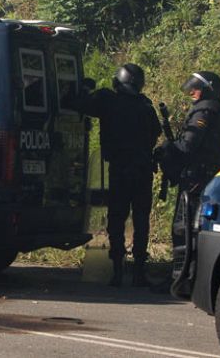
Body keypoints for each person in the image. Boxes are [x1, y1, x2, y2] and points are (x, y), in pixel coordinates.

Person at [72, 63, 161, 287]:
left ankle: (118, 270)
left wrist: (84, 89)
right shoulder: (146, 107)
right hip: (141, 170)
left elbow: (79, 105)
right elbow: (155, 133)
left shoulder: (107, 100)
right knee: (141, 221)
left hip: (120, 169)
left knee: (117, 219)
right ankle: (139, 271)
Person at [160, 71, 220, 295]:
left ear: (207, 89)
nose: (192, 92)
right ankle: (190, 279)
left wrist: (167, 150)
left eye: (196, 88)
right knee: (195, 229)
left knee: (184, 229)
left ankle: (182, 280)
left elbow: (188, 146)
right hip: (207, 175)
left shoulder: (205, 110)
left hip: (195, 178)